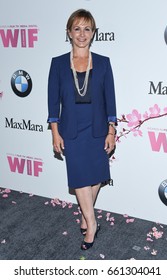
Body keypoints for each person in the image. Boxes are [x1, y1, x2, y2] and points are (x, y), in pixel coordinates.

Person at [47, 9, 117, 250]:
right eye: (77, 28)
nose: (82, 34)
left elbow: (110, 98)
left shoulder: (103, 63)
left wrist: (112, 129)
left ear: (93, 33)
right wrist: (55, 131)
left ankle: (86, 215)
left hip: (97, 126)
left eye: (87, 29)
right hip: (71, 128)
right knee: (79, 176)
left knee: (96, 174)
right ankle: (92, 222)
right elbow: (52, 101)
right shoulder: (57, 64)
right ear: (69, 32)